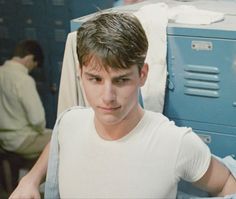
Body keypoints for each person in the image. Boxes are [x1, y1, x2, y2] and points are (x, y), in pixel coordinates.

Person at [10, 12, 236, 199]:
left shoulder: (175, 142)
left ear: (143, 75)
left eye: (121, 80)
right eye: (95, 79)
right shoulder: (70, 122)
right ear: (80, 74)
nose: (107, 97)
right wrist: (31, 179)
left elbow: (226, 182)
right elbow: (58, 139)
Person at [0, 40, 51, 159]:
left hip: (2, 140)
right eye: (34, 65)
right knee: (63, 138)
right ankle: (36, 176)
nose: (32, 69)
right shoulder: (23, 80)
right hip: (20, 140)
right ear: (29, 59)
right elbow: (37, 120)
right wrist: (41, 130)